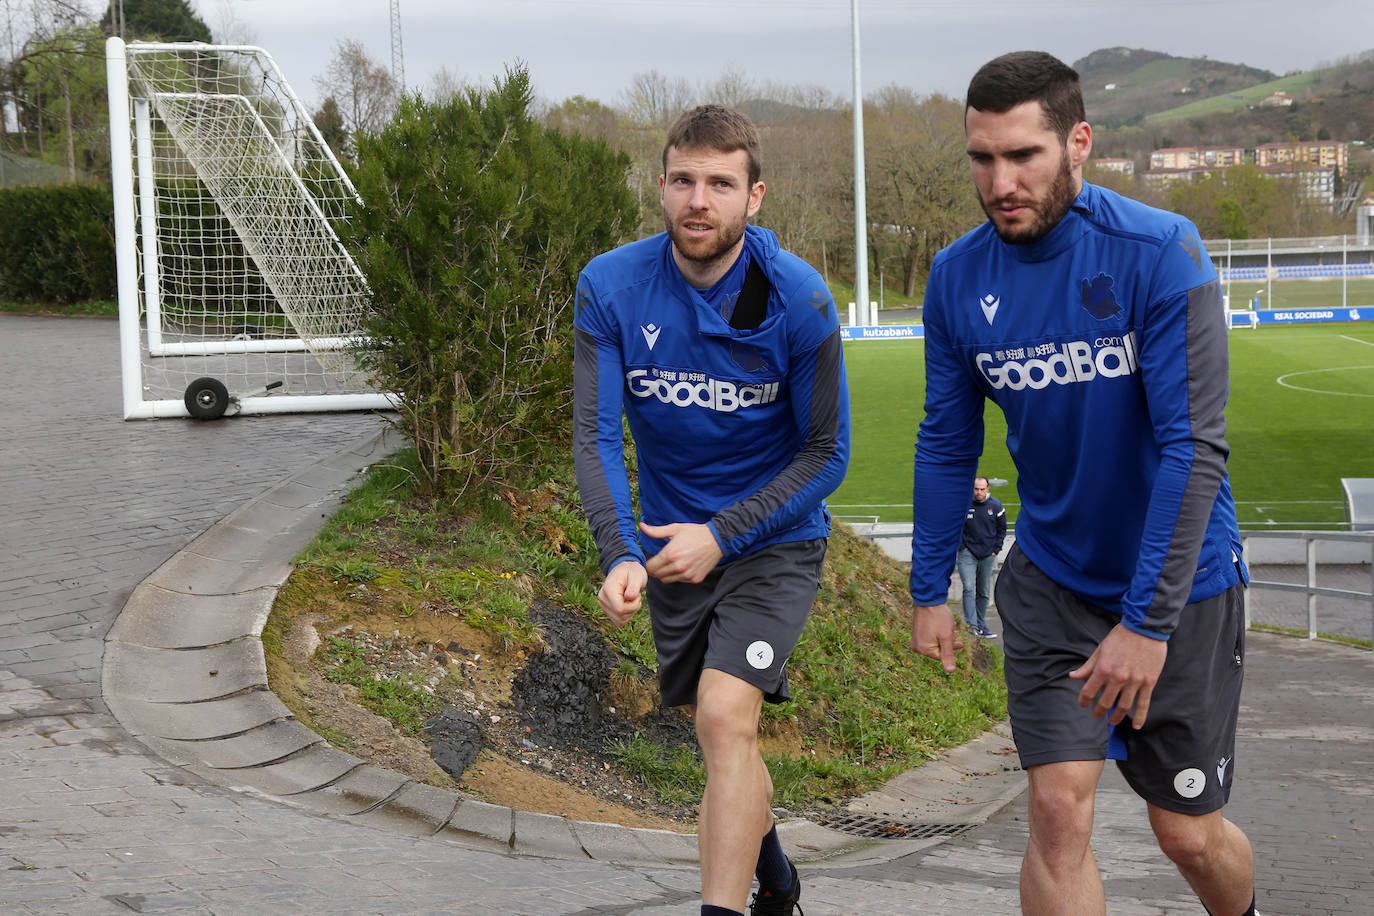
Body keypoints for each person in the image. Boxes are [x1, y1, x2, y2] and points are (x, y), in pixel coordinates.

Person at [908, 52, 1258, 916]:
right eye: (982, 159)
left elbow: (1195, 447)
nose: (1000, 182)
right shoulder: (957, 277)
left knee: (1188, 834)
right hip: (1056, 584)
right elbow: (948, 441)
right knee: (1057, 809)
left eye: (1023, 154)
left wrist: (1147, 622)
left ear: (1079, 144)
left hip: (1182, 590)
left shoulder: (1158, 250)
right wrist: (929, 589)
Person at [573, 104, 850, 916]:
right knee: (720, 734)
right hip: (668, 546)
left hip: (774, 538)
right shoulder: (611, 285)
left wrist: (723, 534)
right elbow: (595, 436)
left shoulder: (797, 298)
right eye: (684, 180)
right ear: (661, 185)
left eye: (721, 184)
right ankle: (776, 874)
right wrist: (620, 553)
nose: (700, 200)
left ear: (754, 196)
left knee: (727, 716)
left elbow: (826, 454)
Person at [957, 475, 1005, 638]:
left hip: (987, 554)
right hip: (968, 554)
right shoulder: (964, 505)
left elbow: (1002, 529)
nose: (979, 492)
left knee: (983, 591)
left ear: (988, 489)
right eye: (976, 489)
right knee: (969, 587)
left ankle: (980, 624)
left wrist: (995, 550)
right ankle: (971, 626)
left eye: (982, 489)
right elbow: (957, 527)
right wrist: (962, 548)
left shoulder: (996, 506)